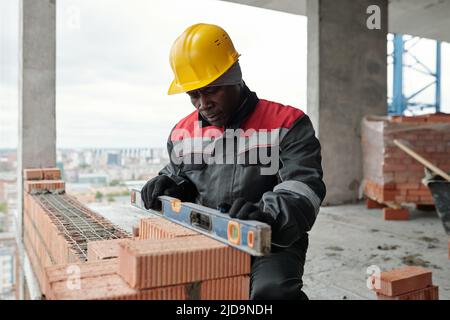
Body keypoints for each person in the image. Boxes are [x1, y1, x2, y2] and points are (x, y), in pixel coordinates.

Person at [141, 23, 326, 300]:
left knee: (272, 293)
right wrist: (170, 184)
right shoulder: (182, 131)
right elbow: (178, 173)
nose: (203, 104)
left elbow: (304, 187)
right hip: (207, 232)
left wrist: (268, 217)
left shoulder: (287, 123)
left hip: (272, 238)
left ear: (235, 77)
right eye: (194, 95)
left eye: (212, 90)